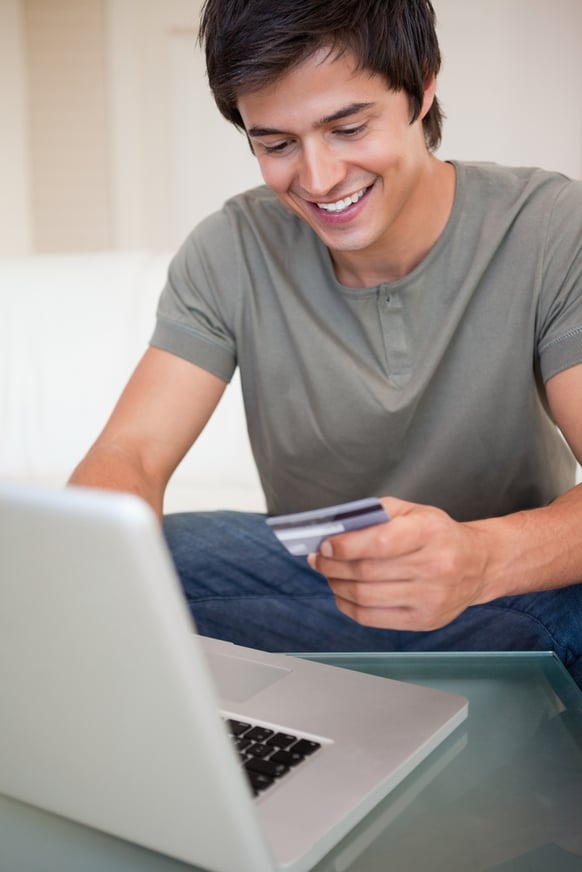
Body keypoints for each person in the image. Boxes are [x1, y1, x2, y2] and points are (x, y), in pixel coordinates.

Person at [69, 0, 582, 688]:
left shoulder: (550, 228)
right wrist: (88, 570)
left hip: (508, 594)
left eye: (348, 127)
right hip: (317, 589)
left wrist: (480, 557)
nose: (317, 180)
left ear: (422, 84)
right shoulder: (230, 249)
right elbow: (130, 453)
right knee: (147, 557)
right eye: (276, 144)